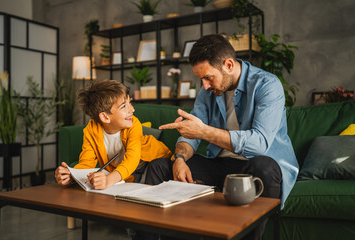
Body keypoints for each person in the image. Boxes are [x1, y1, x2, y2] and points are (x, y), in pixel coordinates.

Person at [145, 34, 299, 240]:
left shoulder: (267, 85)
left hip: (259, 166)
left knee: (263, 166)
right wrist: (179, 158)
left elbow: (260, 144)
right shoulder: (208, 91)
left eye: (208, 77)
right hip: (222, 164)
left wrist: (204, 131)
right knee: (160, 167)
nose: (205, 86)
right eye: (201, 79)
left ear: (228, 64)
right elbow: (192, 132)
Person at [55, 79, 172, 189]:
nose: (132, 109)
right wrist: (72, 176)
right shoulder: (91, 130)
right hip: (128, 173)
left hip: (153, 164)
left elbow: (132, 159)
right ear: (105, 117)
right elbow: (86, 162)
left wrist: (108, 180)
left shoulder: (133, 124)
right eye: (123, 106)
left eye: (129, 103)